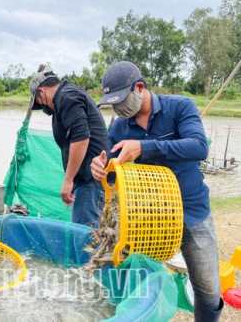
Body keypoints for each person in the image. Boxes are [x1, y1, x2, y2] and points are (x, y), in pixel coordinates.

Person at [91, 61, 223, 321]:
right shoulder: (119, 127)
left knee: (207, 288)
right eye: (113, 104)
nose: (118, 109)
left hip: (191, 212)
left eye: (121, 101)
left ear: (139, 87)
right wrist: (99, 167)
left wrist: (144, 147)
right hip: (147, 220)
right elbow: (110, 164)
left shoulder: (179, 107)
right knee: (141, 284)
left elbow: (199, 147)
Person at [29, 70, 108, 227]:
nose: (43, 107)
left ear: (41, 91)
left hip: (91, 179)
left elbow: (81, 137)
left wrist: (68, 180)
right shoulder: (66, 96)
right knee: (95, 237)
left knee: (85, 237)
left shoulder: (66, 97)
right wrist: (74, 182)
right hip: (88, 179)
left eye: (39, 101)